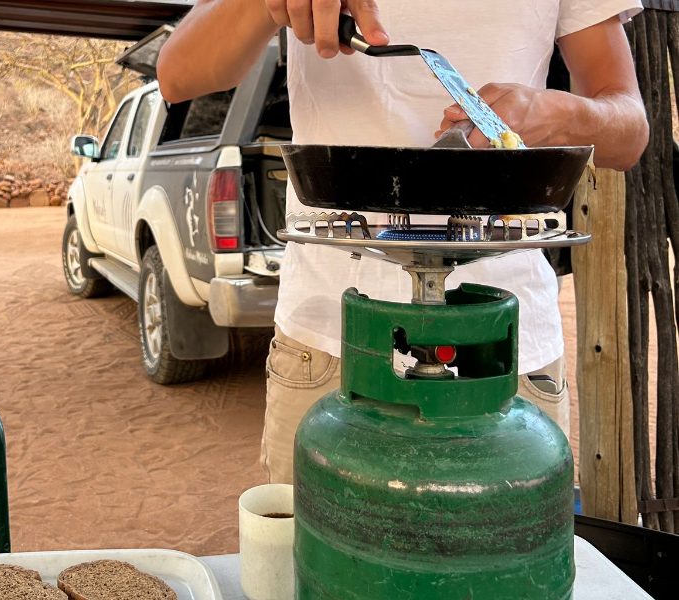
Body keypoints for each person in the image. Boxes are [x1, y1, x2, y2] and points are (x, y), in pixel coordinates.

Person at [158, 0, 649, 484]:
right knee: (315, 557)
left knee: (504, 555)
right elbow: (178, 73)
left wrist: (558, 114)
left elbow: (628, 133)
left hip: (507, 351)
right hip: (327, 342)